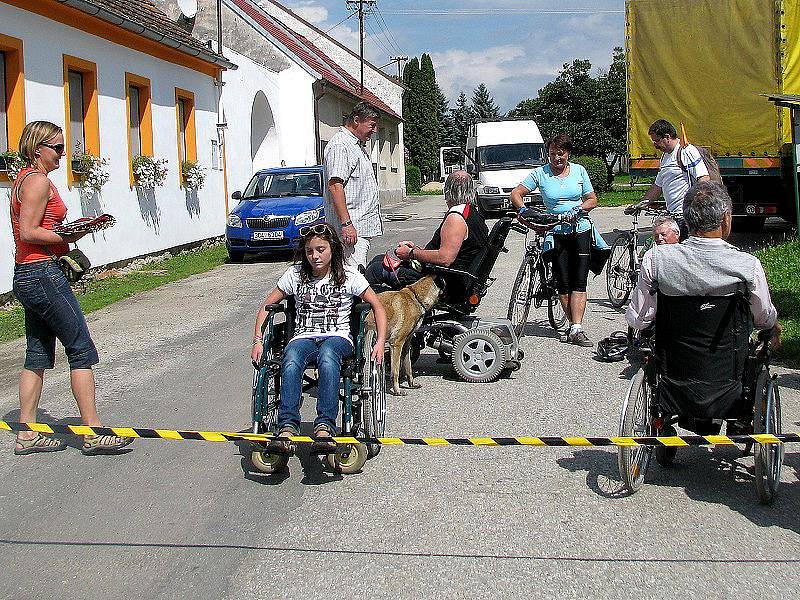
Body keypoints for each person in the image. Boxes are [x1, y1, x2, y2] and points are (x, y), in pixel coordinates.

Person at [10, 121, 133, 456]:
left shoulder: (21, 179)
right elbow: (29, 232)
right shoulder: (36, 181)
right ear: (38, 149)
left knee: (36, 354)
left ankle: (26, 432)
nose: (64, 154)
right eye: (58, 148)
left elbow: (33, 230)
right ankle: (92, 432)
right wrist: (70, 236)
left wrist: (67, 236)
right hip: (41, 273)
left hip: (28, 273)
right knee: (80, 347)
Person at [251, 223, 387, 453]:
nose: (314, 256)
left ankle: (325, 424)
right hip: (303, 336)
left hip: (338, 337)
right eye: (309, 251)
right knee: (291, 356)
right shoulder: (295, 274)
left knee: (327, 354)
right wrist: (257, 339)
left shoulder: (349, 274)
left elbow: (377, 307)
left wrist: (381, 341)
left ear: (332, 248)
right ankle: (287, 426)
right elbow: (267, 305)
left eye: (320, 250)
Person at [626, 180, 780, 340]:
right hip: (730, 359)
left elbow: (638, 319)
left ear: (686, 221)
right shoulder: (748, 265)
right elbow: (764, 319)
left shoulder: (655, 259)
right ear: (726, 219)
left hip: (673, 358)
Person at [510, 133, 598, 347]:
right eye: (552, 154)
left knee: (579, 280)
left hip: (580, 229)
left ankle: (577, 327)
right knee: (563, 283)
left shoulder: (579, 171)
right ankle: (572, 324)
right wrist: (524, 210)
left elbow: (592, 199)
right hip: (555, 230)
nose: (556, 158)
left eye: (561, 154)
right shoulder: (541, 173)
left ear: (568, 154)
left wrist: (579, 209)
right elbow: (516, 193)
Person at [364, 170, 489, 301]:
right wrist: (417, 250)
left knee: (375, 269)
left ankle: (369, 315)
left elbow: (445, 258)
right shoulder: (472, 213)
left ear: (447, 191)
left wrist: (411, 253)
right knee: (379, 258)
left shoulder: (456, 218)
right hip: (453, 276)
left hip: (442, 282)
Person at [323, 102, 383, 269]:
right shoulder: (341, 145)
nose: (375, 130)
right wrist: (346, 224)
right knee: (353, 279)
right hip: (350, 230)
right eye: (372, 125)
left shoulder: (355, 145)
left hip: (358, 229)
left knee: (354, 276)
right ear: (356, 120)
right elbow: (335, 186)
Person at [639, 119, 710, 239]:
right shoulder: (665, 157)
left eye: (656, 141)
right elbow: (657, 186)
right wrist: (640, 204)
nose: (655, 145)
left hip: (686, 217)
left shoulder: (686, 151)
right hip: (673, 217)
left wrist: (695, 207)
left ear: (667, 137)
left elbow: (704, 178)